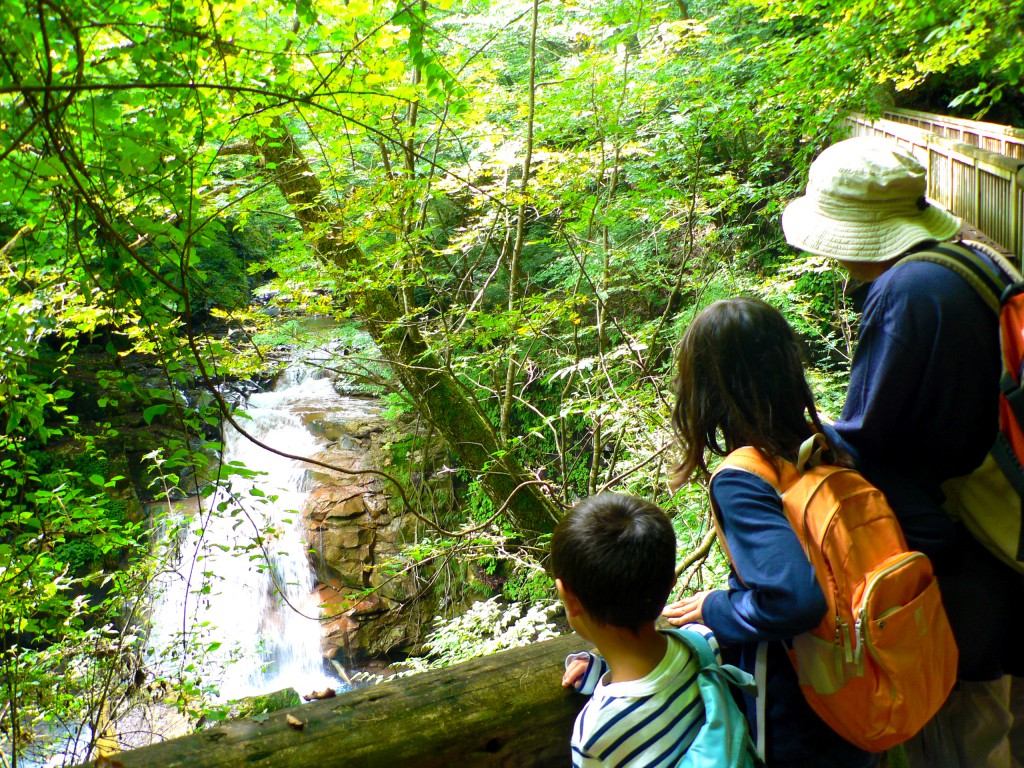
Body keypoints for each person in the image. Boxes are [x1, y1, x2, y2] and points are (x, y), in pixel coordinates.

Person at [780, 135, 1024, 768]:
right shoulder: (968, 260)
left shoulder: (907, 295)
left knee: (972, 722)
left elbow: (866, 432)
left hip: (971, 539)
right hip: (1005, 508)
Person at [661, 296, 877, 768]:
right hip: (858, 675)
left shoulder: (742, 478)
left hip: (799, 707)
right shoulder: (830, 444)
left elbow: (794, 600)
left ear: (705, 390)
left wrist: (715, 606)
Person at [551, 492, 715, 768]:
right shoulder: (703, 643)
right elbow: (658, 689)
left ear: (569, 598)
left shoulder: (594, 735)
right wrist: (601, 673)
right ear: (670, 583)